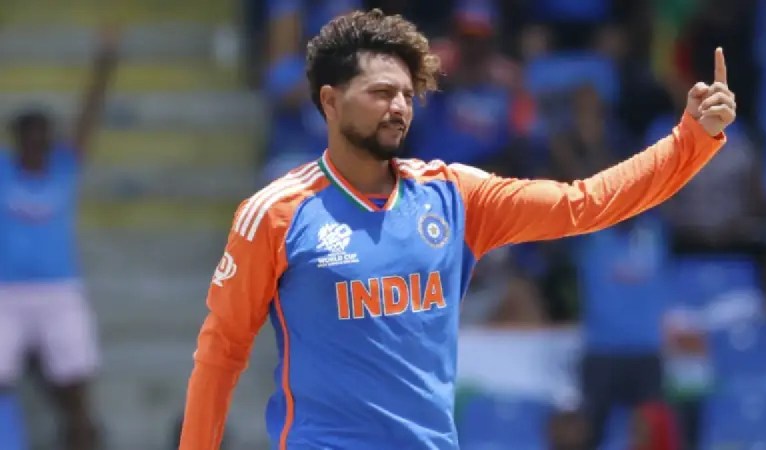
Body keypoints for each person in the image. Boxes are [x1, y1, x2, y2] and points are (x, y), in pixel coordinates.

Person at [178, 9, 735, 449]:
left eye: (406, 94)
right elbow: (222, 352)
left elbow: (584, 204)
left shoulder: (454, 197)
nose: (399, 107)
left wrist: (691, 140)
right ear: (330, 100)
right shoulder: (276, 213)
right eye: (380, 93)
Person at [0, 29, 119, 450]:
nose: (36, 146)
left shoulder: (64, 168)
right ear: (17, 140)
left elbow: (88, 117)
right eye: (29, 138)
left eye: (43, 138)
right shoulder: (3, 171)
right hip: (7, 292)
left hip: (59, 290)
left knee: (77, 390)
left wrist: (105, 63)